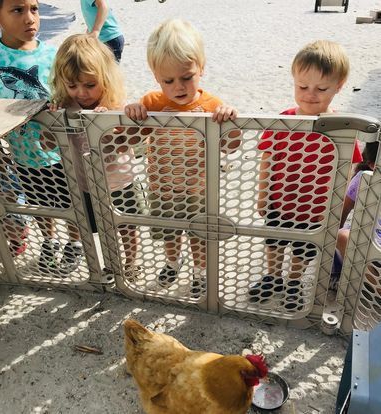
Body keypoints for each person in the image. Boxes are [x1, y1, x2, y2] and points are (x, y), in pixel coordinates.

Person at [124, 19, 238, 297]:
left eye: (186, 77)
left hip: (199, 188)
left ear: (201, 67)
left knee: (198, 235)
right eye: (168, 80)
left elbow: (231, 146)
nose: (178, 87)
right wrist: (135, 114)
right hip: (162, 186)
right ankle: (173, 263)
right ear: (156, 76)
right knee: (169, 232)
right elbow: (133, 140)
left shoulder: (211, 104)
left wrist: (230, 121)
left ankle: (200, 272)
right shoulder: (153, 102)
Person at [0, 0, 81, 276]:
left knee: (71, 202)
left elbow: (68, 96)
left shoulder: (53, 55)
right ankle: (49, 241)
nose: (30, 18)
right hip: (22, 155)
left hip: (61, 150)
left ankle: (75, 244)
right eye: (18, 10)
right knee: (40, 202)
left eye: (34, 9)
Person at [252, 40, 361, 310]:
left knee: (304, 249)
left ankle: (293, 282)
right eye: (302, 87)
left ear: (339, 85)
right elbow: (267, 158)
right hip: (280, 202)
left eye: (321, 89)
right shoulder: (284, 120)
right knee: (274, 243)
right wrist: (262, 196)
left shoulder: (343, 129)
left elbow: (348, 169)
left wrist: (337, 210)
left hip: (316, 209)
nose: (310, 94)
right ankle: (273, 276)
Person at [49, 33, 140, 280]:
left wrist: (108, 125)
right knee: (92, 227)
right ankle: (103, 265)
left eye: (90, 85)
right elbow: (48, 144)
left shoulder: (115, 106)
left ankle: (130, 264)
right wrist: (54, 121)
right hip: (86, 184)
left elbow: (127, 146)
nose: (81, 93)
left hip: (121, 183)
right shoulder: (66, 108)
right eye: (72, 85)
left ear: (106, 80)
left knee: (127, 227)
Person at [330, 142, 379, 289]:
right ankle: (376, 289)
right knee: (341, 235)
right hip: (362, 247)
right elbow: (339, 218)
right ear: (372, 165)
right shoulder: (362, 180)